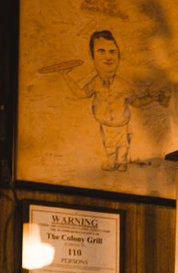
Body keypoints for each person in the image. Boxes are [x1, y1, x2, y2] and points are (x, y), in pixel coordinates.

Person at [59, 30, 170, 172]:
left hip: (122, 125)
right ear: (92, 56)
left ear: (118, 56)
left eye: (112, 52)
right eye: (101, 51)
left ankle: (122, 163)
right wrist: (65, 76)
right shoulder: (95, 83)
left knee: (123, 146)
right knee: (109, 147)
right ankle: (112, 163)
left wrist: (154, 98)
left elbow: (136, 102)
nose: (108, 57)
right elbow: (81, 93)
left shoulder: (124, 85)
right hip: (106, 126)